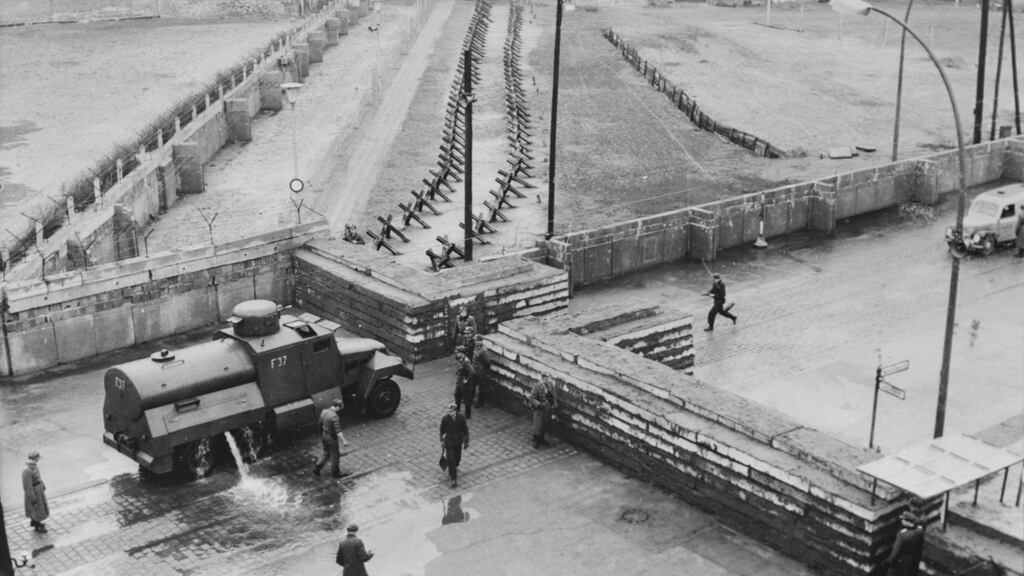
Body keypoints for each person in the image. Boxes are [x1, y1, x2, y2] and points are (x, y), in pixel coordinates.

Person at [313, 398, 349, 479]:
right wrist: (344, 440)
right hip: (331, 438)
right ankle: (336, 474)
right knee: (335, 456)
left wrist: (321, 435)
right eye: (339, 408)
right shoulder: (334, 416)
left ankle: (316, 469)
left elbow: (319, 423)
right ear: (337, 407)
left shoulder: (324, 411)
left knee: (325, 453)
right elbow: (338, 432)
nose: (339, 410)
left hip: (324, 435)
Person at [439, 402, 469, 488]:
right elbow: (442, 431)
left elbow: (465, 430)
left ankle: (453, 468)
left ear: (455, 411)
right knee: (451, 459)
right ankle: (453, 479)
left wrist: (466, 442)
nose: (450, 413)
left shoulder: (461, 418)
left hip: (458, 442)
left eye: (451, 411)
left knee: (457, 459)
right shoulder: (445, 419)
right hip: (449, 442)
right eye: (449, 411)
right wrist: (442, 440)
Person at [886, 511, 926, 576]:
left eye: (903, 520)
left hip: (902, 561)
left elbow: (895, 551)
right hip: (913, 559)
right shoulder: (920, 530)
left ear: (908, 522)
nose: (902, 521)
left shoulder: (902, 535)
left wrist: (889, 561)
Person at [22, 451, 49, 534]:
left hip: (38, 491)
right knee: (36, 509)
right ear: (33, 459)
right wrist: (32, 499)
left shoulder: (34, 466)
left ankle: (35, 522)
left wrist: (42, 485)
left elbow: (39, 477)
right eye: (37, 459)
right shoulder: (27, 471)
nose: (38, 460)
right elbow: (28, 487)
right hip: (33, 493)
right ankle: (37, 525)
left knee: (38, 509)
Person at [529, 374, 557, 449]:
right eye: (545, 379)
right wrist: (538, 404)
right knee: (538, 425)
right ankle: (536, 440)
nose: (547, 380)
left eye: (548, 379)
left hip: (547, 409)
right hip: (539, 410)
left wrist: (553, 405)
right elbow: (532, 398)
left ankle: (542, 439)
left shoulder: (550, 386)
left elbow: (553, 396)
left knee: (544, 424)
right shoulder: (537, 386)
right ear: (542, 378)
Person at [454, 348, 477, 419]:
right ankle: (457, 410)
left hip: (465, 383)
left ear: (462, 353)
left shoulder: (466, 362)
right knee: (457, 395)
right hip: (460, 381)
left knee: (467, 398)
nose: (456, 354)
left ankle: (467, 415)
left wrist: (467, 379)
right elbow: (462, 368)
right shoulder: (461, 359)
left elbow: (473, 372)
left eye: (457, 352)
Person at [471, 334, 491, 408]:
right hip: (474, 369)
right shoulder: (475, 347)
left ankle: (480, 402)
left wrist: (484, 370)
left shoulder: (484, 350)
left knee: (481, 387)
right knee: (473, 384)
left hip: (480, 371)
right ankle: (471, 399)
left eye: (476, 340)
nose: (475, 341)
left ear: (480, 341)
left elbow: (488, 362)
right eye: (475, 340)